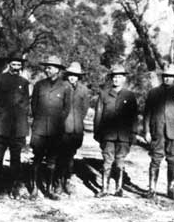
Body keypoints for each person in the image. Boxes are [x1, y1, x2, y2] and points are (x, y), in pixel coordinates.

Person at [0, 53, 30, 199]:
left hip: (17, 128)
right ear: (9, 64)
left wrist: (23, 123)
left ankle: (13, 188)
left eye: (19, 65)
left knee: (15, 159)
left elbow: (25, 104)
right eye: (14, 64)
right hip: (0, 126)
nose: (16, 67)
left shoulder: (24, 82)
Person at [143, 64, 174, 200]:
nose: (167, 79)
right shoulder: (154, 92)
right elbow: (147, 114)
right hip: (157, 131)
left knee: (172, 160)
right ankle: (151, 189)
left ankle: (171, 189)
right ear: (162, 76)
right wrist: (146, 131)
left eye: (170, 76)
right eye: (165, 76)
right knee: (155, 160)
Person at [30, 56, 71, 200]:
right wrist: (40, 121)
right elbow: (33, 107)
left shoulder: (65, 87)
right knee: (37, 159)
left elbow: (66, 109)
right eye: (47, 67)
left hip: (55, 130)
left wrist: (57, 122)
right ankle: (34, 188)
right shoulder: (39, 85)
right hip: (39, 129)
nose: (48, 70)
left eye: (51, 67)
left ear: (58, 70)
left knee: (52, 161)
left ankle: (48, 189)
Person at [94, 65, 138, 198]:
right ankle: (104, 188)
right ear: (111, 79)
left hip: (124, 135)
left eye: (119, 77)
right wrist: (98, 133)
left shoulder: (129, 96)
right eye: (114, 77)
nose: (116, 80)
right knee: (107, 161)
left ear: (124, 79)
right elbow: (98, 115)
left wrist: (134, 133)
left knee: (120, 161)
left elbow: (134, 117)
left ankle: (119, 188)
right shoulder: (104, 94)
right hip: (108, 135)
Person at [56, 62, 90, 195]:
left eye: (75, 76)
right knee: (60, 155)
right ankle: (58, 182)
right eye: (70, 75)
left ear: (79, 77)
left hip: (76, 128)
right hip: (62, 127)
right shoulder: (61, 86)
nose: (72, 78)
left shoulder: (83, 90)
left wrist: (77, 122)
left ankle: (67, 180)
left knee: (70, 155)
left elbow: (84, 109)